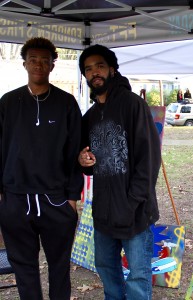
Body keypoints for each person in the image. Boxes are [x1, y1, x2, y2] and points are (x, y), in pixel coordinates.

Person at [0, 37, 83, 300]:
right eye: (33, 60)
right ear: (24, 64)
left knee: (60, 267)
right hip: (15, 199)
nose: (39, 65)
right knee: (24, 268)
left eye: (45, 61)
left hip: (55, 200)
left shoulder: (67, 103)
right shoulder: (8, 102)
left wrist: (72, 197)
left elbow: (75, 152)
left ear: (52, 66)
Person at [78, 44, 161, 299]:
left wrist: (132, 202)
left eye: (100, 66)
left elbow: (149, 161)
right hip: (103, 212)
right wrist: (83, 161)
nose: (95, 73)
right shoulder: (90, 116)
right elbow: (87, 162)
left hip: (134, 212)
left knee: (137, 277)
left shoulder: (133, 105)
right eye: (89, 69)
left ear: (112, 69)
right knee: (106, 269)